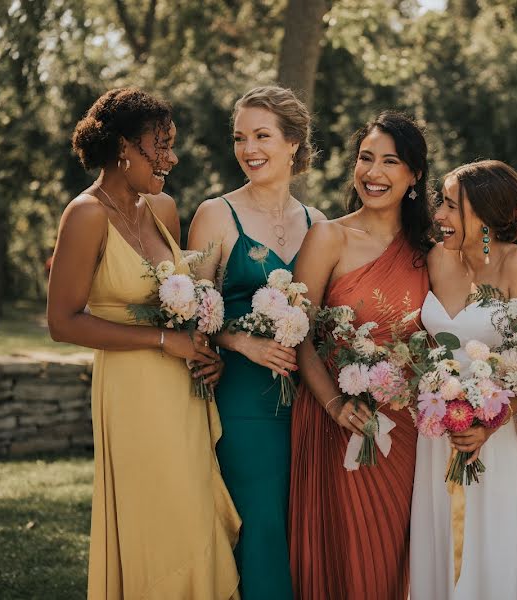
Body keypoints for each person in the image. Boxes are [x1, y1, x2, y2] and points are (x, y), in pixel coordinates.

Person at [47, 88, 240, 599]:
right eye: (160, 146)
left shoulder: (163, 208)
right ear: (124, 148)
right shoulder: (85, 215)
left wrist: (205, 352)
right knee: (157, 515)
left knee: (194, 508)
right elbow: (62, 322)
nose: (171, 158)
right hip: (131, 391)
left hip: (183, 389)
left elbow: (180, 299)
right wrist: (160, 340)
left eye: (171, 145)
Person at [187, 85, 325, 599]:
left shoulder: (318, 225)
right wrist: (240, 342)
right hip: (242, 399)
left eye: (262, 136)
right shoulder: (216, 214)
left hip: (307, 402)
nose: (249, 149)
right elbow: (189, 312)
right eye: (240, 138)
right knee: (259, 523)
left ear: (293, 143)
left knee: (300, 526)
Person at [288, 111, 433, 599]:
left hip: (403, 429)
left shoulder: (427, 249)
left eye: (390, 161)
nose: (373, 172)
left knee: (390, 558)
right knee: (343, 556)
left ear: (413, 175)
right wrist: (334, 404)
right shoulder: (329, 236)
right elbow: (299, 333)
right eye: (366, 158)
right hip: (336, 419)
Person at [410, 159, 517, 600]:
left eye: (452, 207)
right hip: (437, 436)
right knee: (439, 550)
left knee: (493, 551)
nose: (440, 216)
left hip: (498, 437)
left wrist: (489, 422)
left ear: (484, 216)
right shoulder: (434, 259)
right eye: (441, 204)